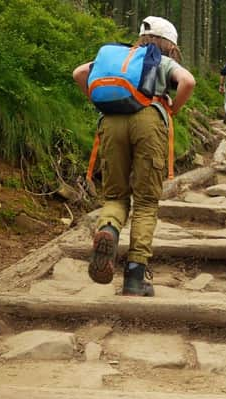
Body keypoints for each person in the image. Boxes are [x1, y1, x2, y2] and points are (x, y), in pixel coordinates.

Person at [72, 16, 195, 297]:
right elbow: (188, 81)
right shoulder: (160, 60)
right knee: (146, 202)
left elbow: (79, 73)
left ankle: (109, 230)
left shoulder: (121, 58)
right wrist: (172, 109)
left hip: (111, 120)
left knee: (115, 196)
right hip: (149, 121)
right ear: (169, 44)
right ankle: (135, 277)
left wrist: (97, 102)